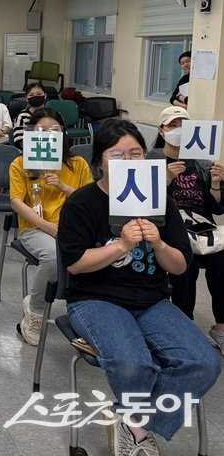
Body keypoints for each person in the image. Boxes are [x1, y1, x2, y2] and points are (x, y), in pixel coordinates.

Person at [57, 119, 220, 456]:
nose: (129, 162)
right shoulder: (83, 202)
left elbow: (179, 266)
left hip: (152, 300)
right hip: (95, 299)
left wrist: (158, 244)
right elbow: (75, 264)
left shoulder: (160, 202)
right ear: (100, 160)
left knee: (205, 362)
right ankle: (138, 432)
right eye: (118, 155)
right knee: (134, 365)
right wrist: (120, 246)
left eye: (136, 153)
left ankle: (133, 422)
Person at [10, 108, 93, 345]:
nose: (48, 134)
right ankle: (35, 311)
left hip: (74, 228)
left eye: (54, 130)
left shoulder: (77, 164)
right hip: (35, 228)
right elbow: (16, 201)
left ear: (63, 134)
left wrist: (64, 188)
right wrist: (47, 226)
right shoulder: (20, 164)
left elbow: (90, 199)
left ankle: (85, 312)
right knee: (53, 255)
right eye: (42, 130)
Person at [154, 106, 224, 353]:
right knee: (186, 262)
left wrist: (216, 184)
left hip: (201, 227)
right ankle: (184, 325)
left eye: (184, 126)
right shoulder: (153, 160)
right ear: (162, 131)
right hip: (170, 227)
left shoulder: (201, 163)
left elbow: (215, 208)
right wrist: (166, 179)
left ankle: (221, 328)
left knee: (222, 261)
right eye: (172, 126)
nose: (178, 131)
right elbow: (146, 205)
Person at [12, 82, 47, 149]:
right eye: (31, 95)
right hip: (28, 152)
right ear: (26, 98)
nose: (35, 97)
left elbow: (62, 138)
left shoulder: (54, 115)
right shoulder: (22, 116)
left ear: (45, 96)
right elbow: (19, 141)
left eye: (39, 94)